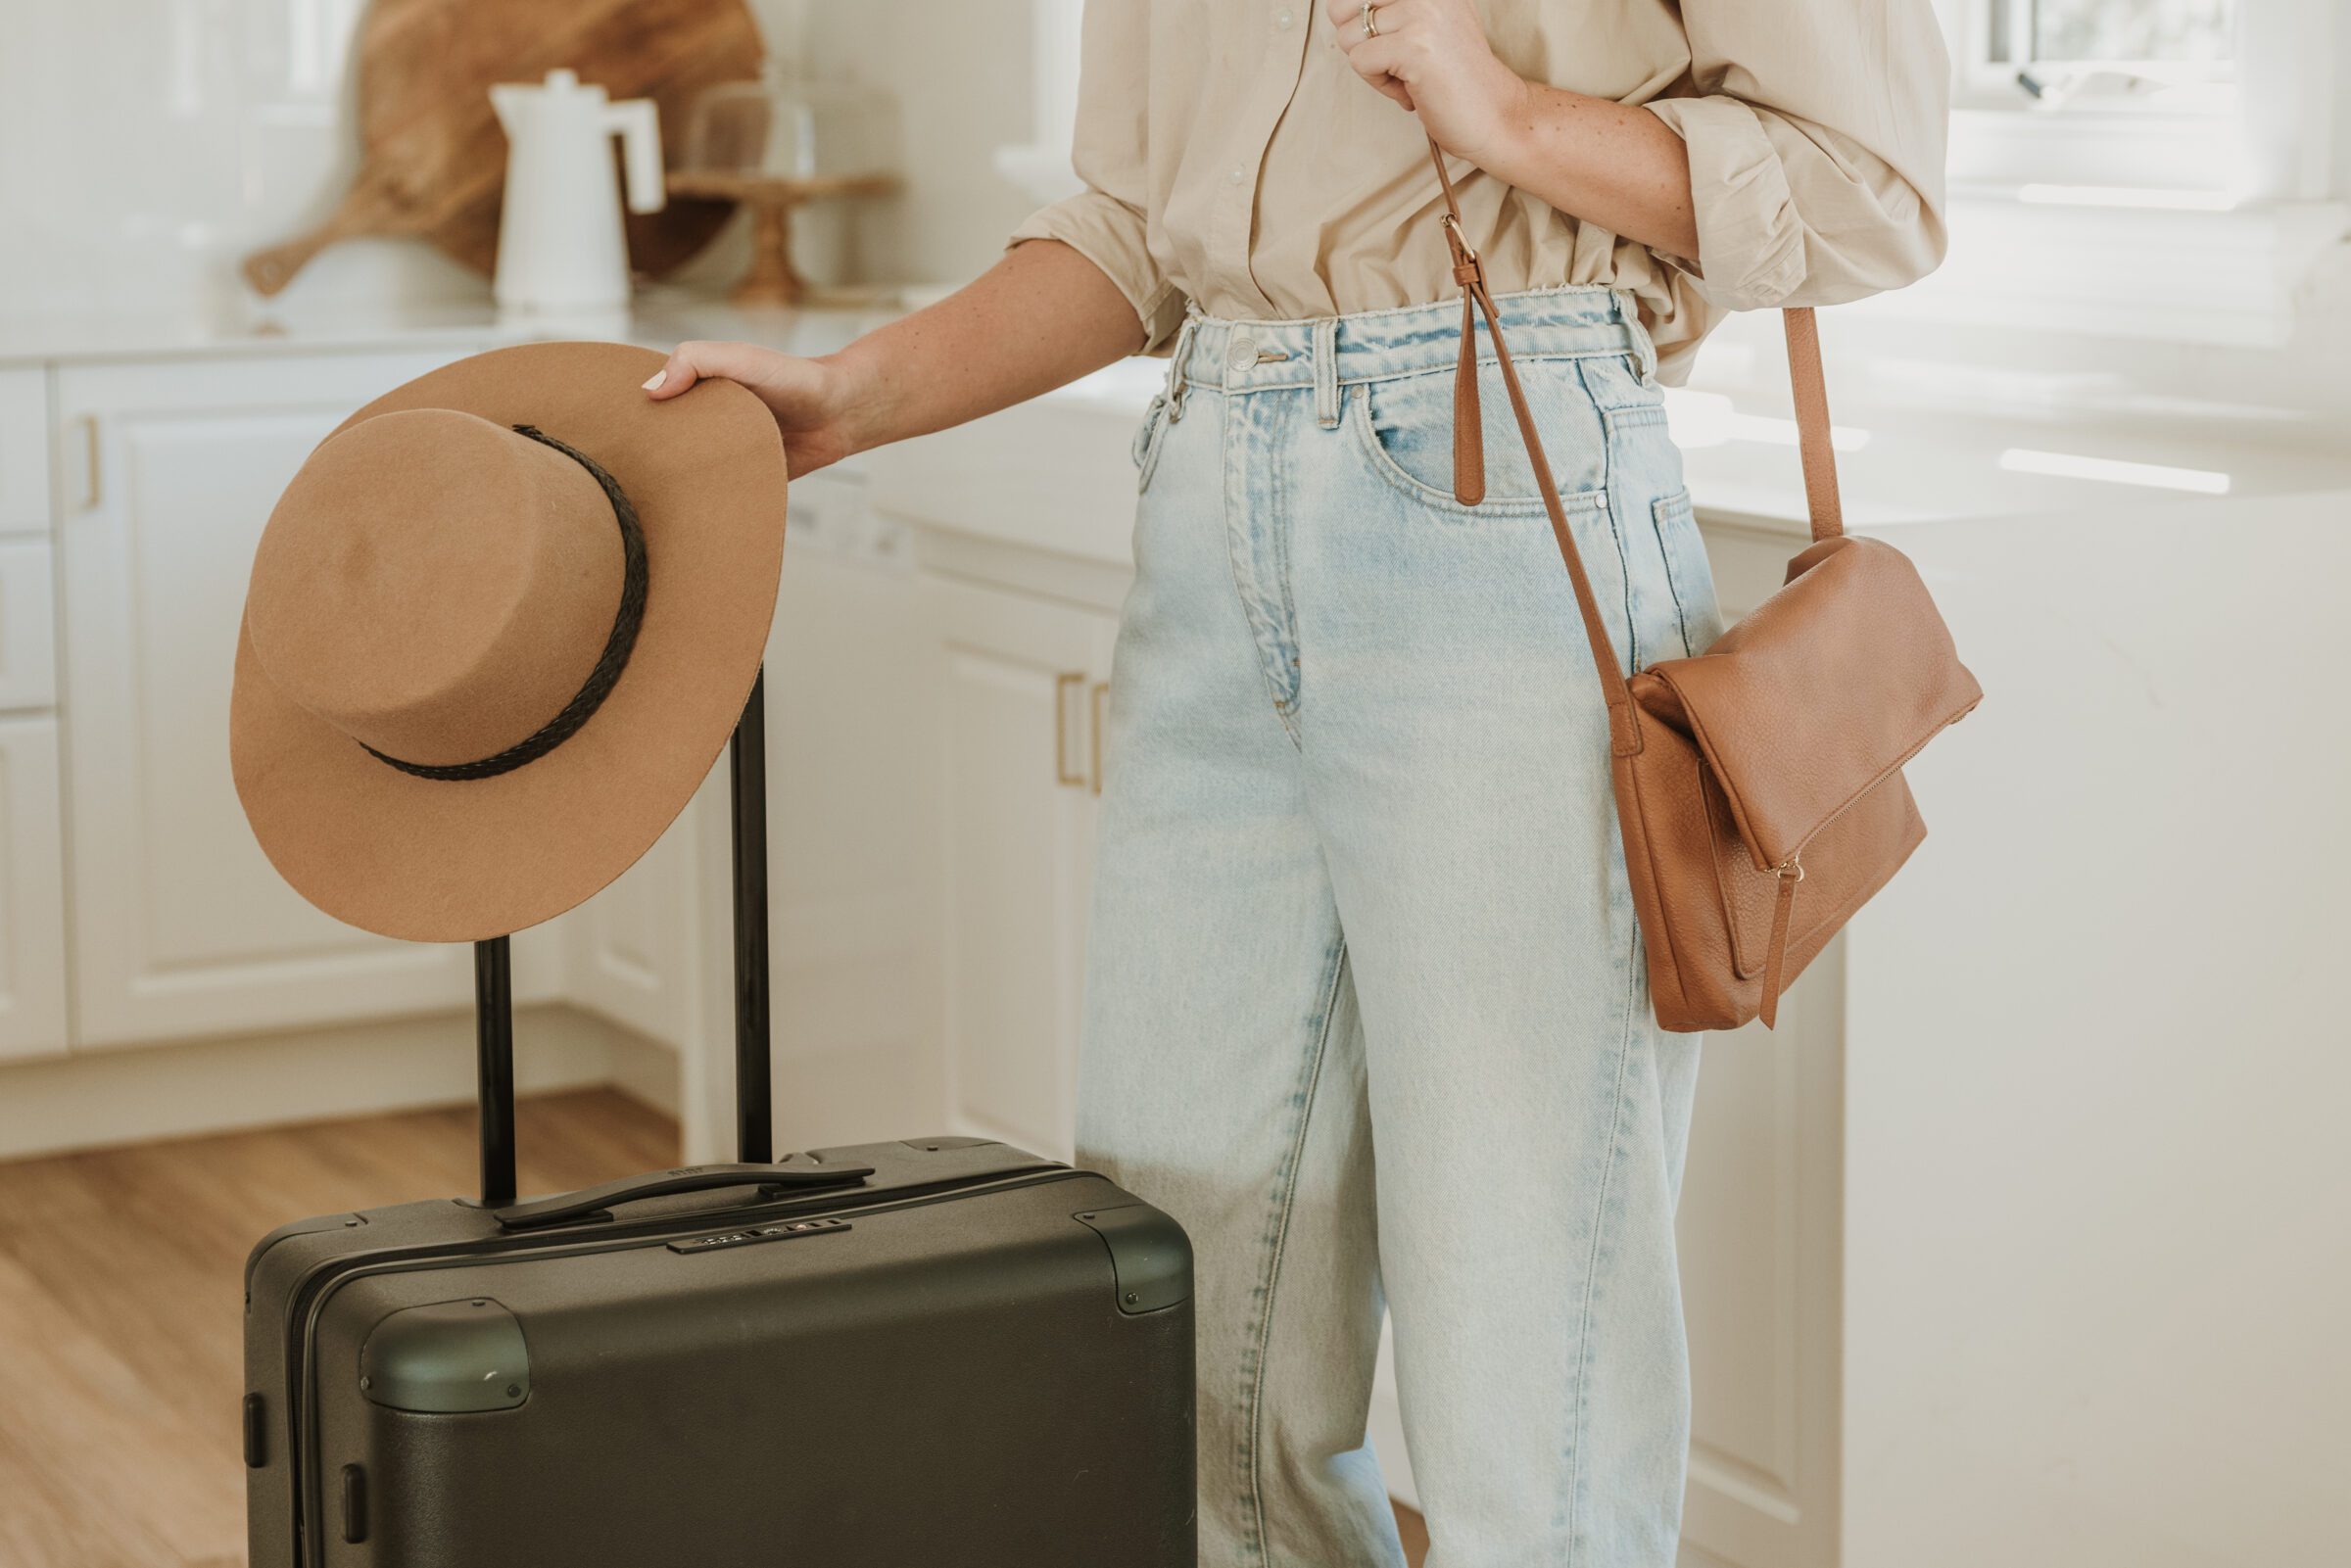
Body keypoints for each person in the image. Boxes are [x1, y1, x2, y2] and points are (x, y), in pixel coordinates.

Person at [646, 1, 1948, 1561]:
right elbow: (1140, 226)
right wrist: (856, 393)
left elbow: (1872, 187)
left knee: (1525, 1329)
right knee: (1188, 1298)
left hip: (1504, 467)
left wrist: (1513, 117)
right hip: (1211, 476)